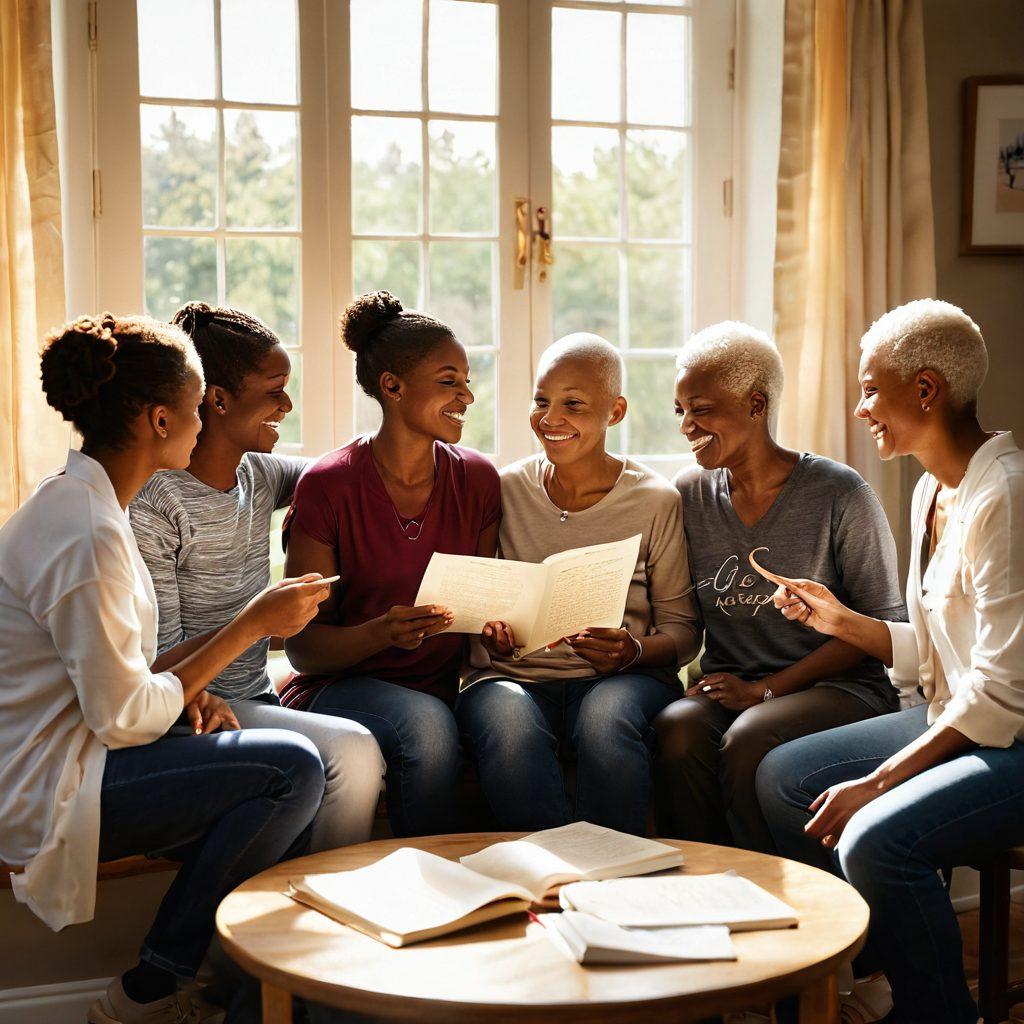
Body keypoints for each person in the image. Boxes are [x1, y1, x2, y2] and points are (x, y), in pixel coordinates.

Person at [0, 314, 332, 1024]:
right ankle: (149, 991)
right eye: (192, 409)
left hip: (87, 751)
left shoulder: (89, 505)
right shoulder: (86, 534)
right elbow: (121, 716)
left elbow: (129, 672)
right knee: (293, 771)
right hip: (55, 782)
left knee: (293, 813)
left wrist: (190, 689)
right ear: (158, 419)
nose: (199, 426)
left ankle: (236, 1007)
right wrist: (252, 624)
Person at [756, 300, 1024, 1024]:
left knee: (876, 834)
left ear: (926, 389)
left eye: (872, 388)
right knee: (783, 777)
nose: (862, 406)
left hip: (1013, 742)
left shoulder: (1007, 494)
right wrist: (841, 622)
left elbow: (1001, 696)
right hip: (959, 718)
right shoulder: (932, 489)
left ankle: (938, 1012)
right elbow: (941, 655)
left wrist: (874, 783)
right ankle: (880, 971)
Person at [131, 302, 384, 853]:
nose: (287, 405)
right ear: (217, 400)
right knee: (354, 751)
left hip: (259, 699)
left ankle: (316, 911)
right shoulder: (155, 504)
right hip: (187, 716)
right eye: (275, 390)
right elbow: (155, 672)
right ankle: (327, 918)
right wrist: (257, 621)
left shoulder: (261, 475)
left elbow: (346, 473)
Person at [653, 322, 906, 853]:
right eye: (680, 411)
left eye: (701, 409)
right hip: (732, 686)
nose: (686, 427)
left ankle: (773, 896)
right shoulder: (690, 493)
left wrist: (766, 690)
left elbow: (884, 628)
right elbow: (681, 613)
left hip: (840, 690)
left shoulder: (840, 493)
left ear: (755, 404)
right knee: (678, 727)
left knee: (749, 739)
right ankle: (697, 889)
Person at [456, 333, 700, 836]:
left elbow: (683, 633)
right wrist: (489, 629)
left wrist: (631, 652)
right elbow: (479, 598)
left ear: (616, 411)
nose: (550, 419)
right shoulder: (502, 489)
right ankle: (555, 872)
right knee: (507, 721)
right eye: (541, 401)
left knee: (605, 718)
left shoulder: (655, 500)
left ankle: (611, 873)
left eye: (573, 405)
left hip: (621, 681)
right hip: (511, 678)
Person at [280, 291, 500, 837]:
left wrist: (499, 635)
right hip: (342, 685)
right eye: (449, 381)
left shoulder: (477, 479)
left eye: (466, 380)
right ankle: (423, 898)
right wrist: (382, 632)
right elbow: (303, 647)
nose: (467, 396)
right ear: (393, 386)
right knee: (426, 726)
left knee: (504, 719)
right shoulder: (329, 485)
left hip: (446, 685)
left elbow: (482, 610)